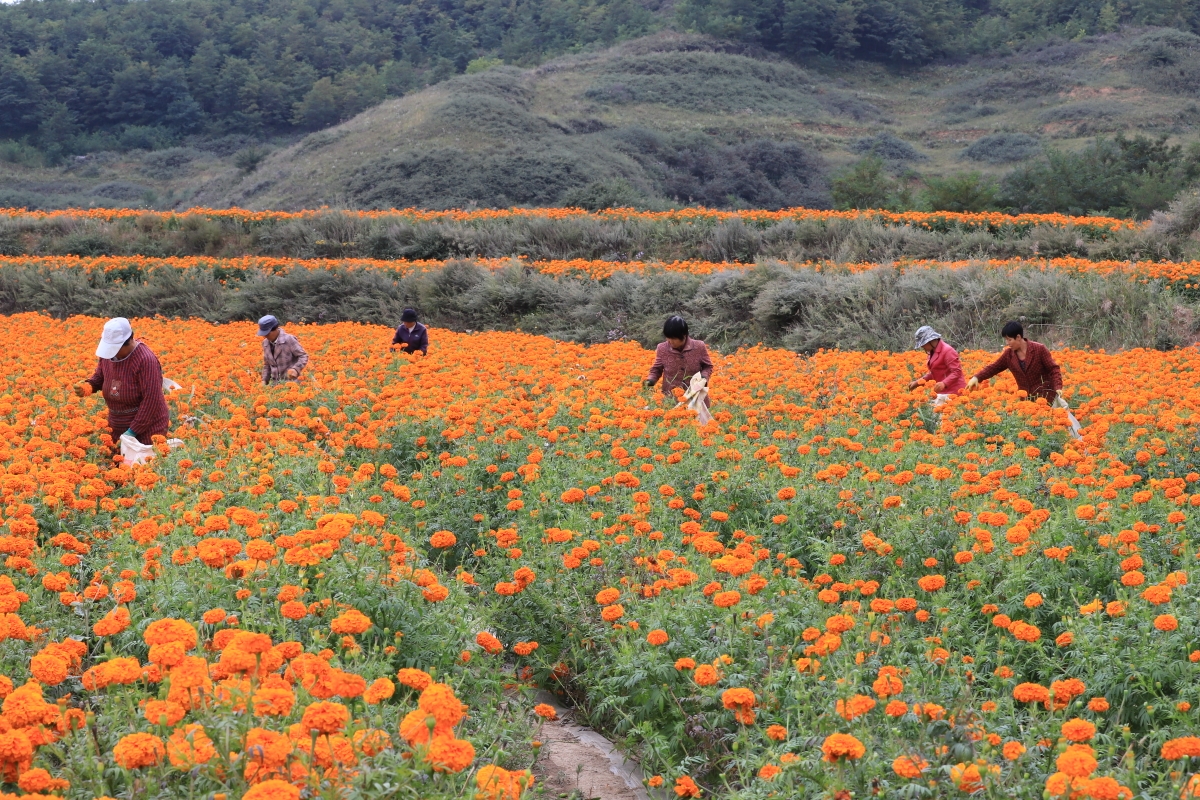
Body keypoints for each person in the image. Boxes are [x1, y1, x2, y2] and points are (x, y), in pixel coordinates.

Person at [967, 320, 1081, 438]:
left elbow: (1054, 369)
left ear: (1018, 337)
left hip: (1047, 397)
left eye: (1009, 340)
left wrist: (1057, 387)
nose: (1007, 343)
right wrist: (977, 377)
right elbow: (994, 367)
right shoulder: (1008, 355)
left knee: (1058, 429)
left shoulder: (1039, 349)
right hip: (1027, 402)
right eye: (1006, 340)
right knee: (1036, 432)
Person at [73, 317, 171, 446]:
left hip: (147, 428)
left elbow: (151, 400)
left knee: (141, 464)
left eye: (116, 349)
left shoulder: (145, 360)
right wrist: (88, 386)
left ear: (129, 341)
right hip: (117, 424)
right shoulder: (108, 356)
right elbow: (99, 377)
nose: (112, 353)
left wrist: (132, 432)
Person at [644, 316, 713, 404]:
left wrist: (703, 378)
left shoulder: (699, 346)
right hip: (671, 399)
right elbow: (657, 369)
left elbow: (708, 366)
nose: (669, 341)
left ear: (684, 336)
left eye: (673, 338)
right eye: (667, 337)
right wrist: (651, 380)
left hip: (695, 397)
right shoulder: (662, 348)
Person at [907, 325, 965, 406]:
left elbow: (957, 372)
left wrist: (944, 383)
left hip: (954, 392)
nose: (922, 347)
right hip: (942, 392)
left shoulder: (947, 351)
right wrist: (918, 382)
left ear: (930, 341)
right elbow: (935, 372)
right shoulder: (932, 351)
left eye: (923, 344)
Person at [258, 315, 309, 384]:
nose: (265, 336)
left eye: (267, 333)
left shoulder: (289, 339)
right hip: (277, 386)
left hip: (293, 384)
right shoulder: (265, 343)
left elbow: (303, 356)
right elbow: (267, 365)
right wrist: (264, 380)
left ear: (275, 329)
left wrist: (296, 369)